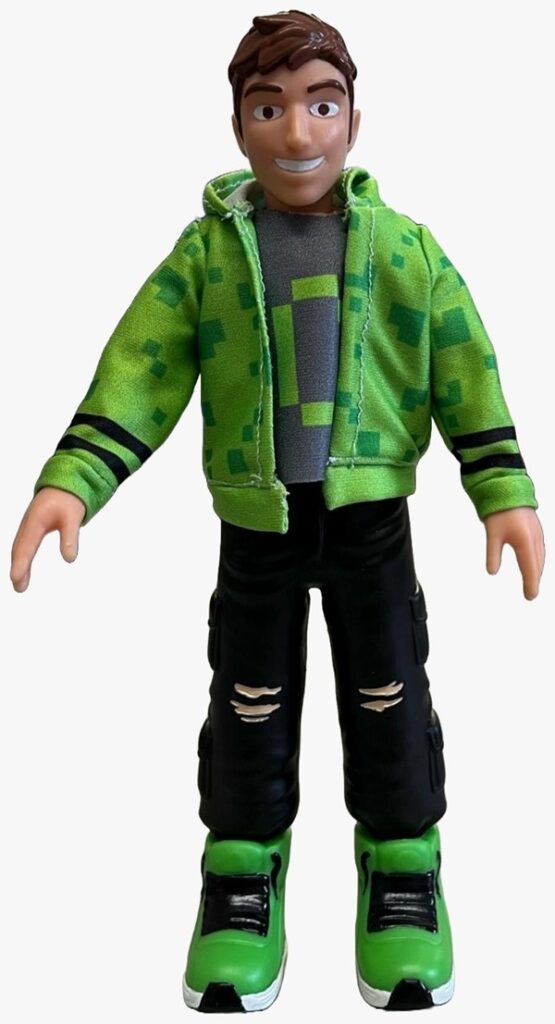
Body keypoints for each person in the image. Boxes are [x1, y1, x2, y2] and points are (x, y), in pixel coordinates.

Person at [10, 9, 545, 1014]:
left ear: (354, 120)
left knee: (387, 687)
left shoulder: (404, 252)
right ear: (238, 126)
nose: (297, 132)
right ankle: (243, 863)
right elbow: (141, 370)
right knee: (248, 694)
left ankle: (402, 854)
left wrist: (502, 489)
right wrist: (73, 478)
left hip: (370, 523)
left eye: (320, 105)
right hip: (256, 527)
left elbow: (464, 366)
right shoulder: (208, 257)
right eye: (269, 108)